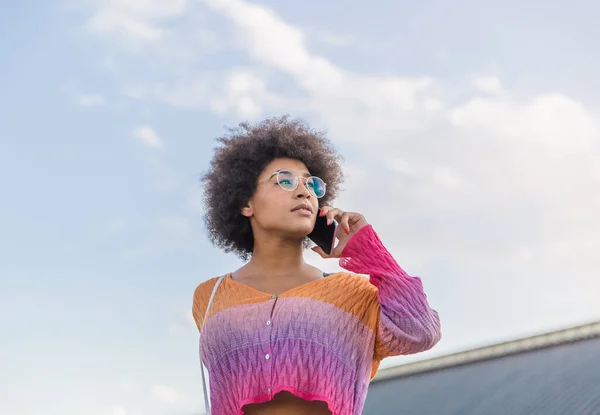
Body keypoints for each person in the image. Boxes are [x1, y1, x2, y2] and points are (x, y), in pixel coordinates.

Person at [192, 116, 441, 415]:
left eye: (312, 184)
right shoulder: (208, 296)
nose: (304, 192)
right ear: (246, 203)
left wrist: (368, 249)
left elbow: (419, 332)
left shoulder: (354, 294)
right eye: (284, 180)